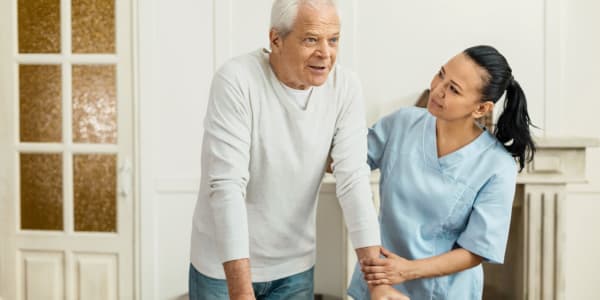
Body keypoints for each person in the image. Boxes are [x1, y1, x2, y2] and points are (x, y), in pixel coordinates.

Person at [189, 0, 407, 299]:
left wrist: (378, 283)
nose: (325, 54)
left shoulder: (345, 87)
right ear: (276, 39)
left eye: (333, 40)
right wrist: (240, 293)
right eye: (311, 40)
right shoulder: (237, 79)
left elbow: (353, 179)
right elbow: (226, 185)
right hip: (223, 268)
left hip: (294, 267)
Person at [348, 45, 536, 299]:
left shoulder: (496, 166)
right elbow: (344, 163)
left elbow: (476, 250)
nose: (437, 90)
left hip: (442, 291)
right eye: (441, 74)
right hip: (379, 283)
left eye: (453, 89)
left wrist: (406, 271)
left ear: (481, 109)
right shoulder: (402, 123)